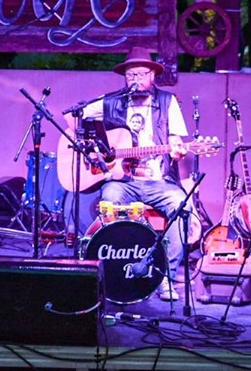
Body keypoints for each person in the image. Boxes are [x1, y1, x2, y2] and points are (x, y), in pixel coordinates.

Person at [78, 46, 191, 301]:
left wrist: (177, 152)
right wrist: (91, 149)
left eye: (141, 74)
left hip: (159, 181)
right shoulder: (112, 102)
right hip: (124, 181)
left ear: (152, 75)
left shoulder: (167, 102)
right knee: (109, 197)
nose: (136, 79)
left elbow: (176, 141)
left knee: (182, 208)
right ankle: (114, 274)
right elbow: (75, 116)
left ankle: (166, 277)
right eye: (131, 75)